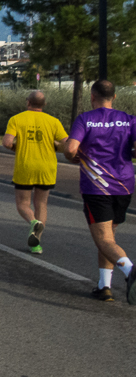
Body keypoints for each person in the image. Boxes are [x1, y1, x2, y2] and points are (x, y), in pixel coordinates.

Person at [64, 80, 136, 303]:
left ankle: (131, 271)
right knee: (109, 236)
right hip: (124, 186)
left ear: (92, 96)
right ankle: (104, 285)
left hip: (97, 186)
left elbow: (70, 148)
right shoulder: (129, 120)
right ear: (114, 97)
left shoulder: (86, 119)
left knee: (103, 239)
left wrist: (72, 156)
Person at [3, 91, 68, 255]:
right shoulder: (53, 121)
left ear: (28, 103)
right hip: (47, 167)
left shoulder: (17, 119)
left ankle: (33, 222)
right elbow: (66, 144)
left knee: (23, 204)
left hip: (25, 165)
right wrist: (55, 147)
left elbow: (7, 142)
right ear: (44, 105)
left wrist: (16, 147)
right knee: (41, 203)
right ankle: (36, 244)